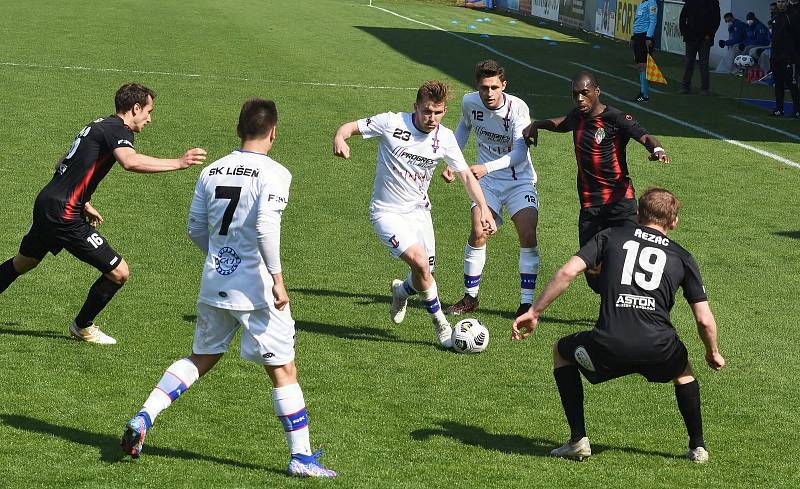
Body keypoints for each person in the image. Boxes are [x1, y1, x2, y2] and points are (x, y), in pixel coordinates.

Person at [120, 99, 336, 478]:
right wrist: (279, 279)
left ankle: (145, 414)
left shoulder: (212, 171)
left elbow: (194, 228)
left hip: (215, 281)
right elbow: (266, 227)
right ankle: (301, 458)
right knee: (283, 369)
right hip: (257, 290)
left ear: (238, 130)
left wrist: (221, 258)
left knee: (200, 357)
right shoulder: (276, 173)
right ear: (274, 132)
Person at [512, 187, 726, 463]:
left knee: (562, 351)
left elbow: (568, 272)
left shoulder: (610, 236)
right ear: (674, 222)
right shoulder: (682, 256)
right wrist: (713, 352)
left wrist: (535, 311)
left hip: (608, 347)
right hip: (658, 349)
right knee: (683, 371)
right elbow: (704, 320)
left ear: (637, 215)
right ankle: (698, 447)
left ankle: (578, 440)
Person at [0, 83, 206, 344]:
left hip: (48, 203)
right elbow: (129, 161)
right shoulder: (118, 130)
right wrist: (178, 162)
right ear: (135, 108)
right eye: (149, 111)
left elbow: (65, 163)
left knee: (23, 262)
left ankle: (82, 325)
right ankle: (83, 326)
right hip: (63, 214)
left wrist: (84, 203)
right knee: (119, 272)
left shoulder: (98, 125)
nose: (150, 119)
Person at [333, 81, 496, 348]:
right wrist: (340, 138)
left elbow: (466, 175)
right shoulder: (391, 123)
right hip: (386, 212)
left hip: (419, 212)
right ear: (415, 108)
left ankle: (400, 291)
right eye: (427, 111)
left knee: (425, 274)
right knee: (420, 264)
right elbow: (349, 128)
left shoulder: (444, 138)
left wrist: (484, 209)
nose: (432, 118)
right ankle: (441, 324)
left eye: (439, 112)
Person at [523, 71, 670, 293]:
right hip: (590, 206)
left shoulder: (615, 118)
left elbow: (645, 136)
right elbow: (561, 124)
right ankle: (612, 302)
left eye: (584, 93)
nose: (580, 99)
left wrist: (657, 149)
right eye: (575, 95)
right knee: (592, 269)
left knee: (629, 260)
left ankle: (629, 311)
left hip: (620, 204)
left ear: (596, 92)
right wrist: (538, 125)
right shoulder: (578, 116)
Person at [440, 60, 541, 319]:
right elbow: (463, 127)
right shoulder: (469, 102)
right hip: (488, 183)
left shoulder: (518, 108)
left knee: (527, 233)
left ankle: (525, 304)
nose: (489, 93)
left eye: (495, 87)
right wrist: (455, 161)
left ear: (503, 85)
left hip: (519, 179)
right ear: (478, 86)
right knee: (478, 231)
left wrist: (486, 166)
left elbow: (520, 152)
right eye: (484, 87)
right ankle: (470, 298)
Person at [679, 0, 721, 94]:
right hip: (691, 37)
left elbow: (716, 20)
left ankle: (704, 88)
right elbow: (682, 17)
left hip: (704, 39)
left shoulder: (713, 2)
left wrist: (709, 35)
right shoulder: (690, 2)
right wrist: (684, 32)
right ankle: (686, 87)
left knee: (703, 64)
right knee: (689, 63)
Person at [769, 0, 799, 117]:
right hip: (776, 56)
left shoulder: (792, 16)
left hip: (788, 57)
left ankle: (797, 110)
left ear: (787, 3)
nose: (780, 4)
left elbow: (796, 37)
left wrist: (793, 55)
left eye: (783, 1)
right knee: (778, 84)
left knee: (792, 84)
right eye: (778, 1)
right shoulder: (776, 17)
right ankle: (779, 109)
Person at [630, 0, 659, 102]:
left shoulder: (652, 3)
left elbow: (653, 20)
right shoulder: (642, 3)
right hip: (638, 36)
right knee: (639, 65)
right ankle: (643, 92)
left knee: (643, 65)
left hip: (644, 36)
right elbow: (637, 21)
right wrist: (633, 37)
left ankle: (645, 94)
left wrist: (649, 37)